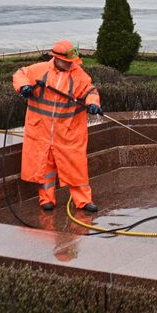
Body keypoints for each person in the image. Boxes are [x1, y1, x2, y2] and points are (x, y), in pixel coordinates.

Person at [12, 40, 102, 214]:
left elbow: (91, 91)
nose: (70, 65)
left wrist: (93, 104)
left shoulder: (79, 75)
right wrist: (23, 86)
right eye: (67, 62)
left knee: (76, 167)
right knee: (45, 167)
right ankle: (46, 199)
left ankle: (83, 201)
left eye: (72, 62)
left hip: (68, 132)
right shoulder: (39, 70)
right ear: (56, 58)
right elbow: (19, 74)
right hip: (41, 130)